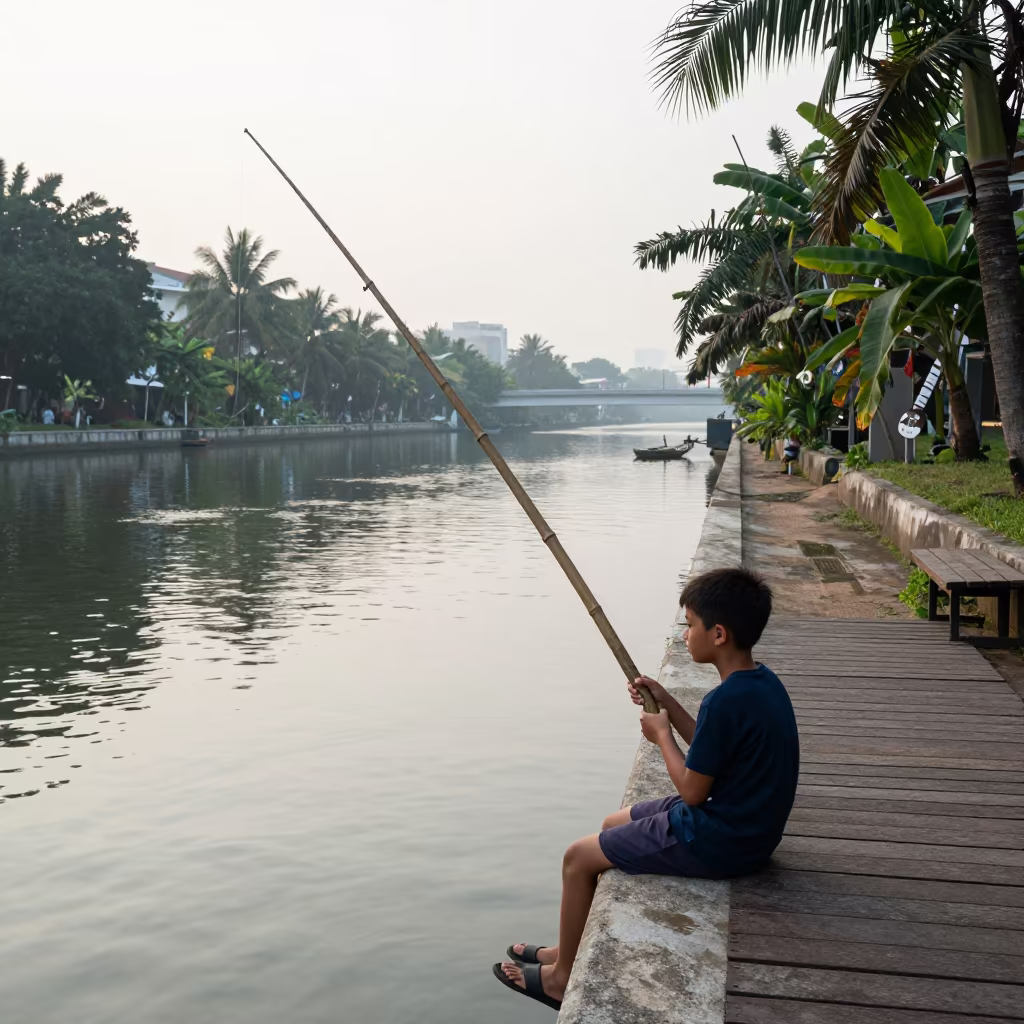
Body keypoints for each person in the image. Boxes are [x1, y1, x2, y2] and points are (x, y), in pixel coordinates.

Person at [493, 568, 798, 1011]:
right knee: (612, 823)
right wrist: (668, 703)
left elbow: (693, 790)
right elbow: (714, 750)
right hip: (745, 826)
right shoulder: (759, 683)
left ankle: (559, 981)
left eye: (690, 623)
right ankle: (567, 950)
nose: (685, 632)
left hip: (722, 839)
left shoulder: (726, 699)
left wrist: (661, 737)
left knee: (577, 858)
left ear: (718, 634)